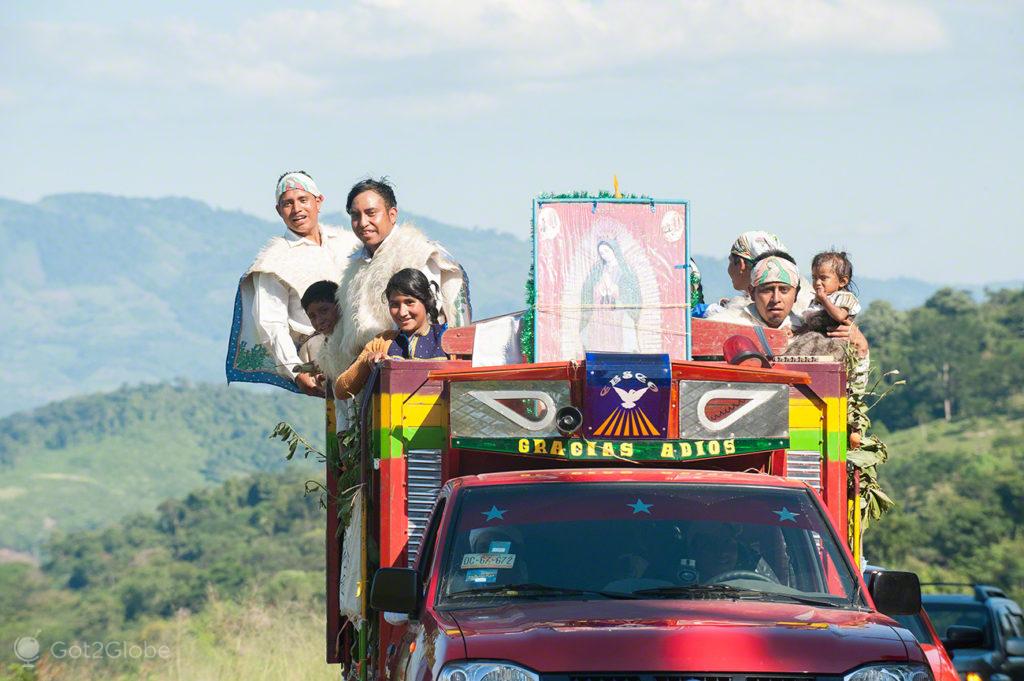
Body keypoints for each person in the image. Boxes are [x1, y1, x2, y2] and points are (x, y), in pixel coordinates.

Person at [230, 171, 360, 395]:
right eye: (288, 203)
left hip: (356, 335)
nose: (297, 209)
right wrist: (296, 372)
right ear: (279, 210)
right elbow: (270, 324)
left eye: (303, 200)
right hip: (317, 346)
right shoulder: (274, 260)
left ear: (318, 202)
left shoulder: (347, 242)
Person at [323, 178, 470, 372]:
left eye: (371, 213)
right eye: (355, 215)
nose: (363, 222)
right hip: (367, 372)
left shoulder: (416, 253)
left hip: (412, 369)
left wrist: (393, 354)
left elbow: (430, 317)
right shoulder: (355, 266)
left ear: (392, 214)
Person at [334, 269, 450, 397]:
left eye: (409, 302)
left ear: (426, 300)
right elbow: (341, 391)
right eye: (394, 304)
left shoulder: (447, 338)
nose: (402, 312)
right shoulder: (382, 341)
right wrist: (367, 362)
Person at [712, 231, 814, 315]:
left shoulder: (743, 315)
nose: (776, 298)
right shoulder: (809, 301)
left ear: (741, 264)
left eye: (730, 261)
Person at [709, 251, 804, 330]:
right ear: (752, 292)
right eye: (767, 290)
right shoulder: (724, 326)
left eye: (783, 290)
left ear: (796, 294)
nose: (775, 299)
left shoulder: (806, 331)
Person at [580, 239, 641, 352]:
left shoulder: (625, 270)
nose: (604, 255)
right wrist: (598, 290)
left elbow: (630, 291)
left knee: (617, 334)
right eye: (601, 253)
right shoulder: (598, 269)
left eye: (606, 251)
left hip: (617, 310)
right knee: (597, 333)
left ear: (614, 250)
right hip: (600, 310)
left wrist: (615, 290)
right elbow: (588, 288)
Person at [801, 251, 861, 334]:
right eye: (814, 278)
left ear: (842, 281)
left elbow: (840, 317)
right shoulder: (817, 300)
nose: (817, 282)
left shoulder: (845, 297)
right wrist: (796, 332)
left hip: (836, 339)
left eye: (823, 278)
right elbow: (808, 324)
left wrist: (824, 300)